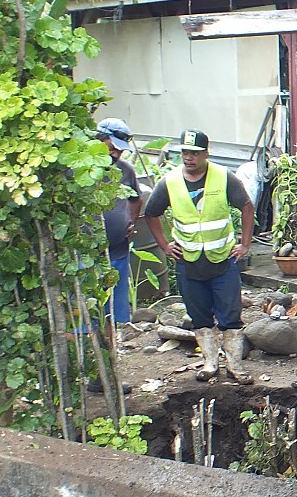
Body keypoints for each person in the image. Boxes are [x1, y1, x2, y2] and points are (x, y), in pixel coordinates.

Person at [142, 129, 255, 384]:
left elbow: (247, 206)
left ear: (206, 153)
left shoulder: (224, 177)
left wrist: (245, 244)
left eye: (194, 153)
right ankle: (210, 363)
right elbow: (151, 213)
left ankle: (235, 366)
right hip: (189, 262)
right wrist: (164, 245)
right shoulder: (169, 183)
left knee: (231, 317)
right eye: (185, 152)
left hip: (223, 260)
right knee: (200, 316)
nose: (189, 157)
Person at [95, 118, 140, 334]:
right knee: (89, 312)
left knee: (115, 315)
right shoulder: (78, 171)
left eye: (120, 151)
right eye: (112, 148)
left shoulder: (125, 170)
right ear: (98, 140)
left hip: (118, 251)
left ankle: (113, 345)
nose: (115, 155)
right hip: (88, 255)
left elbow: (135, 198)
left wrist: (130, 221)